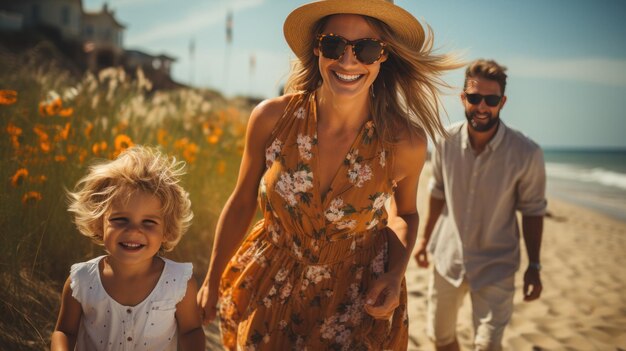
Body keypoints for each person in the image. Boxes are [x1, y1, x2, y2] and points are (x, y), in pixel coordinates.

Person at [196, 0, 460, 349]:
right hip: (269, 283)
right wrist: (212, 278)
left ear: (384, 55)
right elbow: (242, 199)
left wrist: (395, 275)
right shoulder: (272, 119)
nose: (348, 61)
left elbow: (405, 214)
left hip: (354, 298)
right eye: (334, 44)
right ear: (318, 47)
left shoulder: (404, 142)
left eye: (366, 49)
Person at [413, 59, 546, 351]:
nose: (482, 106)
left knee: (487, 346)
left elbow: (533, 210)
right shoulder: (444, 140)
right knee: (441, 338)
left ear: (503, 101)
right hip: (448, 258)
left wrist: (534, 265)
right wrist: (424, 240)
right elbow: (437, 191)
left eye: (491, 99)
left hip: (496, 264)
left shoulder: (527, 153)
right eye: (474, 98)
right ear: (463, 98)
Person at [51, 146, 205, 351]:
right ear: (99, 222)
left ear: (166, 231)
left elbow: (191, 331)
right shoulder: (81, 281)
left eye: (148, 222)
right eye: (120, 219)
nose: (133, 231)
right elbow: (65, 332)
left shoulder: (178, 283)